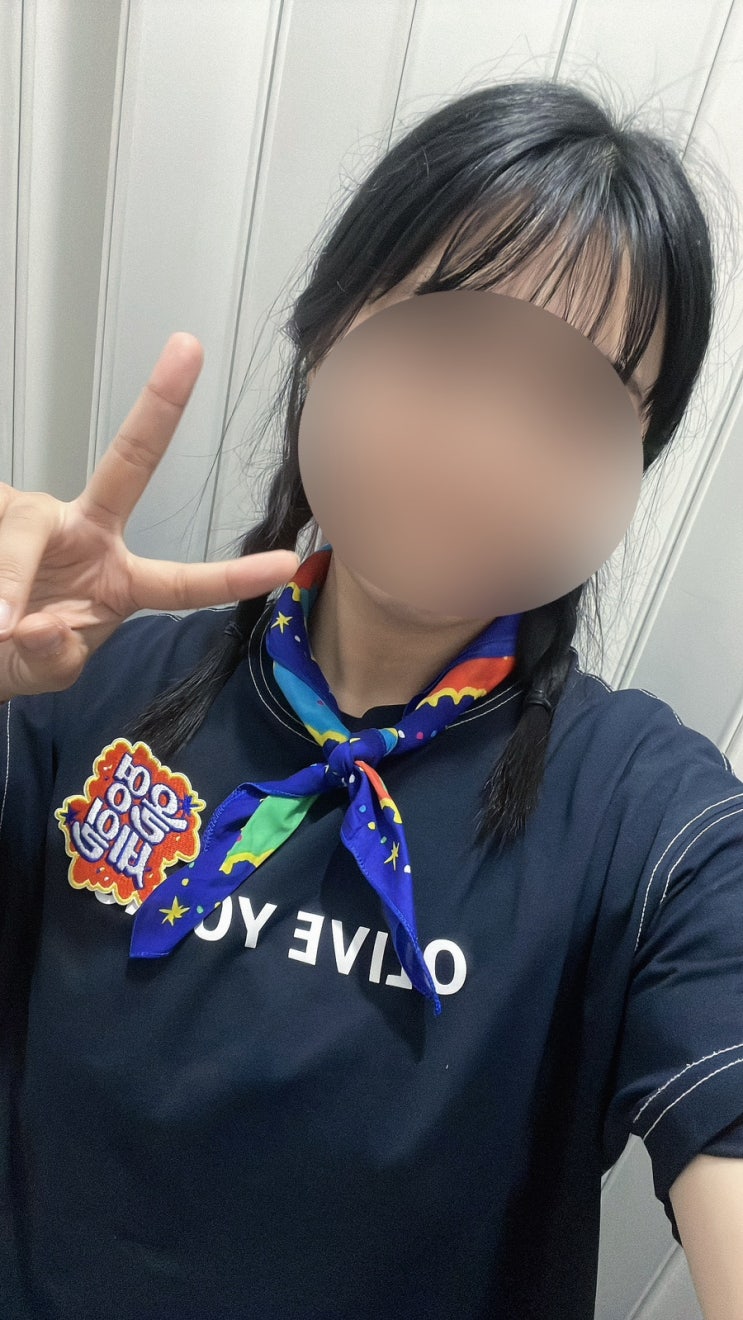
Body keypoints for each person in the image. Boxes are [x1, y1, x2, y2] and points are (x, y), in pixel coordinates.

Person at [1, 77, 742, 1320]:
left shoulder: (646, 819)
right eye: (445, 346)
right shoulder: (80, 686)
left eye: (574, 405)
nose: (485, 448)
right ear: (324, 335)